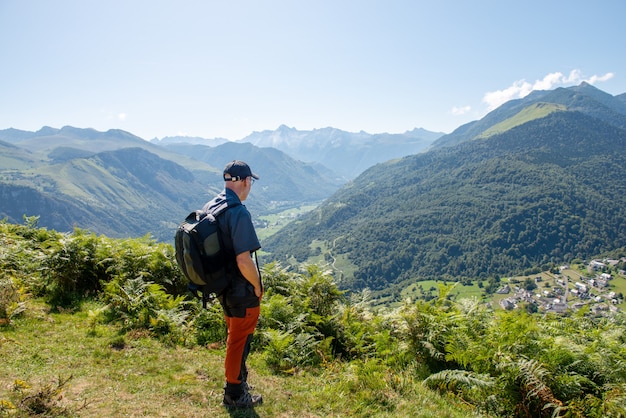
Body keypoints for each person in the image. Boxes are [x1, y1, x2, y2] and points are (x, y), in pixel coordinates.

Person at [202, 160, 263, 408]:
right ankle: (234, 393)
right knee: (239, 340)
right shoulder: (238, 212)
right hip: (241, 289)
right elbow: (243, 259)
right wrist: (257, 286)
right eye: (250, 182)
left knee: (234, 337)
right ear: (246, 181)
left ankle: (238, 383)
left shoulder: (212, 205)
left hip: (223, 287)